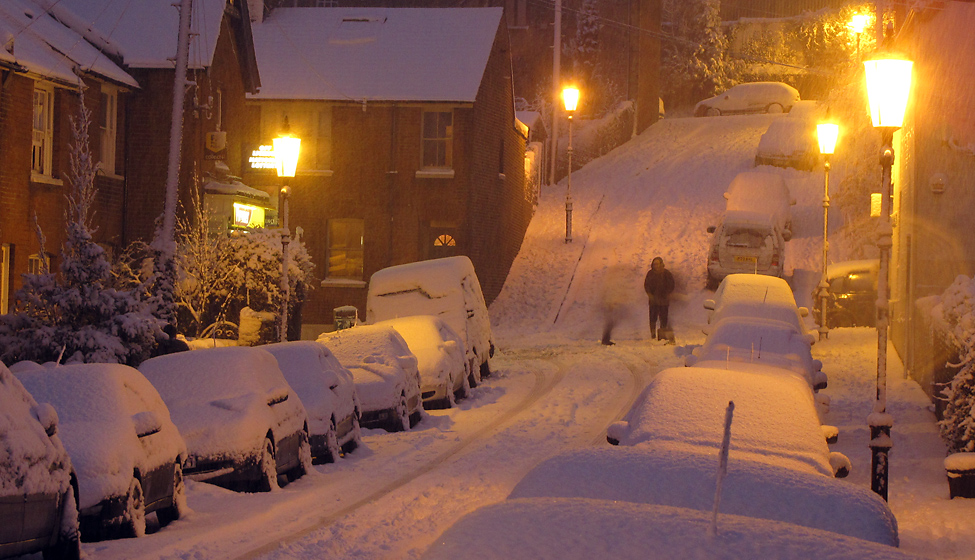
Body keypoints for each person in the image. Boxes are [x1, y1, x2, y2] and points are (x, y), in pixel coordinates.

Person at [644, 256, 675, 341]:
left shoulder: (667, 274)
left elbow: (671, 285)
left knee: (663, 318)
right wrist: (650, 295)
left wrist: (666, 294)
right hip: (653, 301)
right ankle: (653, 334)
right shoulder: (650, 274)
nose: (656, 266)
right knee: (653, 317)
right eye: (654, 264)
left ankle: (662, 334)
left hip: (663, 301)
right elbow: (646, 285)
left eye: (657, 264)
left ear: (661, 264)